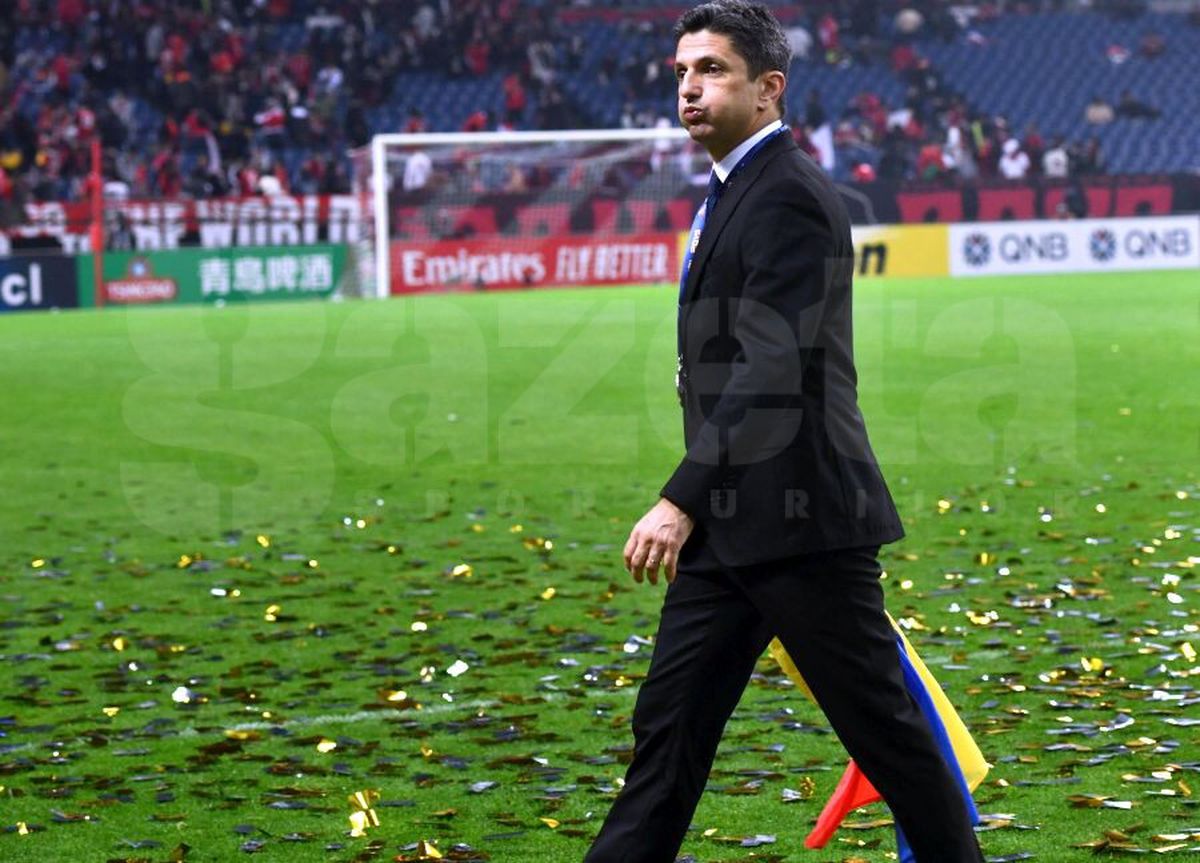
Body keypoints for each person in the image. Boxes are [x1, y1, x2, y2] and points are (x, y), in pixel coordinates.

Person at [582, 3, 986, 862]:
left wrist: (678, 500)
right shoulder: (737, 186)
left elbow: (771, 372)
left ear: (769, 89)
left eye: (713, 70)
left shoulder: (791, 195)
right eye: (683, 72)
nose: (690, 87)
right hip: (737, 523)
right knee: (669, 731)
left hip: (801, 521)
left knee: (894, 744)